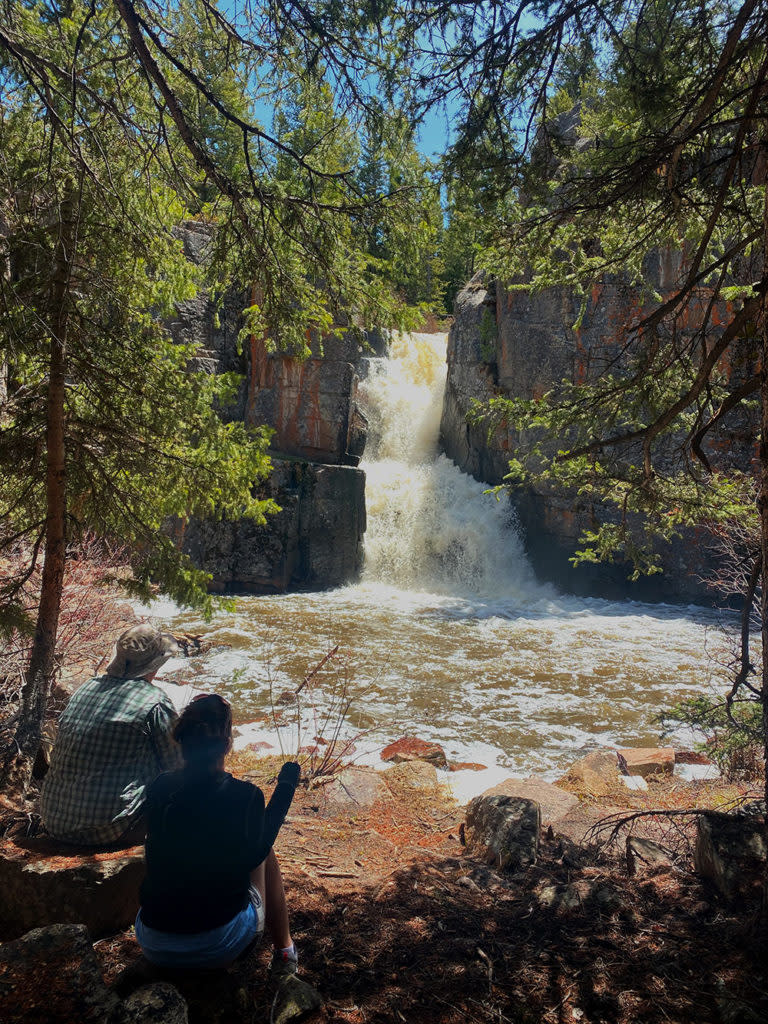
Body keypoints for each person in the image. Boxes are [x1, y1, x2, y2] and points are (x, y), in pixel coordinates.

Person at [135, 693, 301, 976]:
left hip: (153, 941)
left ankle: (284, 953)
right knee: (264, 851)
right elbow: (259, 846)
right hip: (216, 945)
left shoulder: (161, 786)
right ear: (226, 745)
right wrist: (286, 785)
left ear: (182, 741)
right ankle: (285, 952)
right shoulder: (244, 796)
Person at [40, 623, 183, 846]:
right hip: (110, 827)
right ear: (155, 664)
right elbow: (177, 764)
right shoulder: (154, 701)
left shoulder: (86, 687)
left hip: (55, 820)